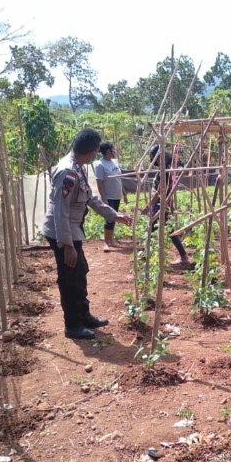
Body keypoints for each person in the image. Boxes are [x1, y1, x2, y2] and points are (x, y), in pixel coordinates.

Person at [42, 128, 133, 340]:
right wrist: (67, 246)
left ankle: (84, 315)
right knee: (69, 278)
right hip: (61, 231)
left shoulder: (78, 166)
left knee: (80, 270)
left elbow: (91, 198)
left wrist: (114, 215)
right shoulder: (67, 172)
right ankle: (72, 325)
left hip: (72, 227)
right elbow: (60, 210)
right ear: (91, 152)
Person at [142, 144, 192, 269]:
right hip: (162, 204)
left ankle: (146, 255)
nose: (153, 160)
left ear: (159, 157)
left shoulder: (165, 172)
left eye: (154, 157)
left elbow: (160, 191)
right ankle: (147, 254)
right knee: (163, 230)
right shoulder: (165, 170)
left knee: (155, 229)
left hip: (160, 204)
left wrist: (148, 206)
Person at [94, 141, 127, 252]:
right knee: (109, 219)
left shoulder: (114, 162)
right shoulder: (100, 164)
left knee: (114, 218)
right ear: (108, 151)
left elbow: (119, 178)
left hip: (117, 195)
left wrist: (124, 193)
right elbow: (100, 183)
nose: (115, 150)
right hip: (109, 196)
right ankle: (106, 243)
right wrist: (104, 198)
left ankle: (111, 240)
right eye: (113, 149)